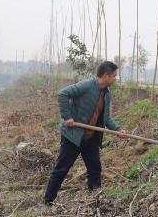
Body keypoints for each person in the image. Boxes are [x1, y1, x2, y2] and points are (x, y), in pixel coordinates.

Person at [44, 61, 126, 204]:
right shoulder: (88, 85)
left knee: (95, 168)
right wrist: (67, 116)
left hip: (90, 138)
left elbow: (106, 118)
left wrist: (118, 129)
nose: (115, 78)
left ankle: (95, 198)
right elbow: (63, 94)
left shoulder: (106, 94)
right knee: (62, 169)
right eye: (114, 76)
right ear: (106, 76)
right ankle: (48, 200)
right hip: (73, 136)